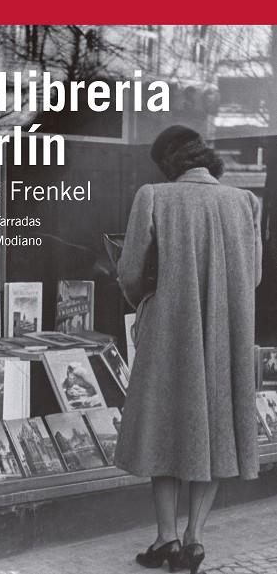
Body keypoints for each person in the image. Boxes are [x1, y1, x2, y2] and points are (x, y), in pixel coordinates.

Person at [114, 125, 262, 573]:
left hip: (169, 331)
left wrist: (147, 303)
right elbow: (253, 277)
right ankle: (194, 541)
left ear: (167, 163)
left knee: (163, 427)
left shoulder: (153, 196)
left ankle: (167, 537)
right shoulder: (245, 202)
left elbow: (130, 273)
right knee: (214, 432)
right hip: (226, 332)